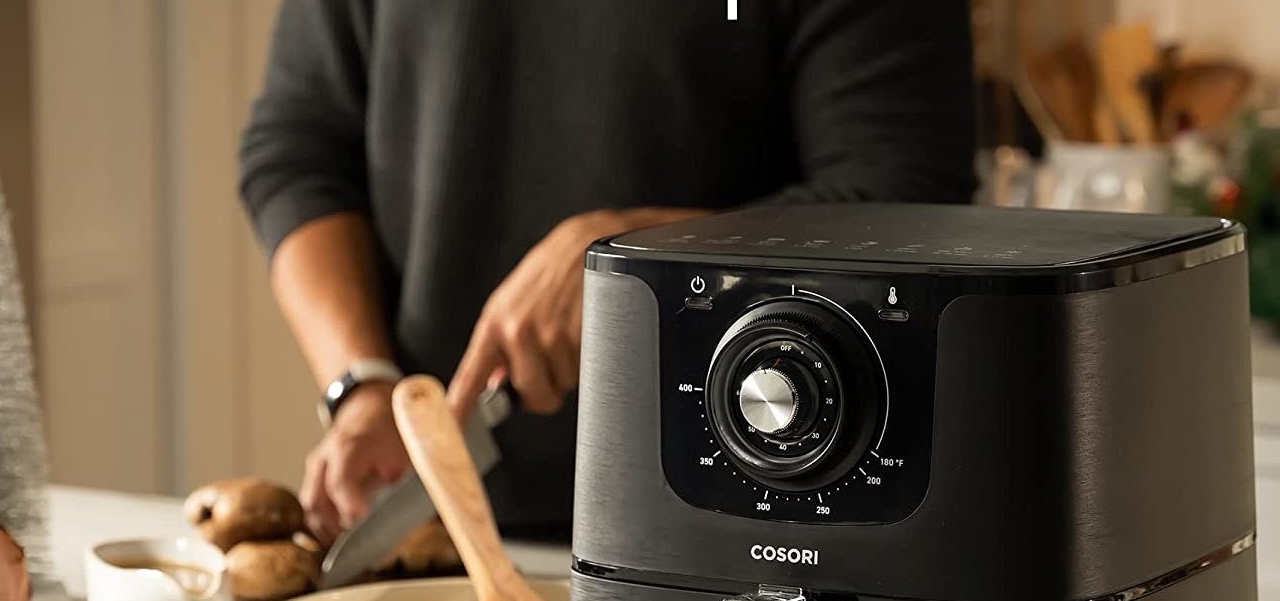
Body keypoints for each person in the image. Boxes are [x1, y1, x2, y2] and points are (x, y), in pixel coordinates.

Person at [240, 0, 976, 546]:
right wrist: (362, 383)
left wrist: (642, 256)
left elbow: (903, 192)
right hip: (434, 530)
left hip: (756, 533)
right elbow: (300, 153)